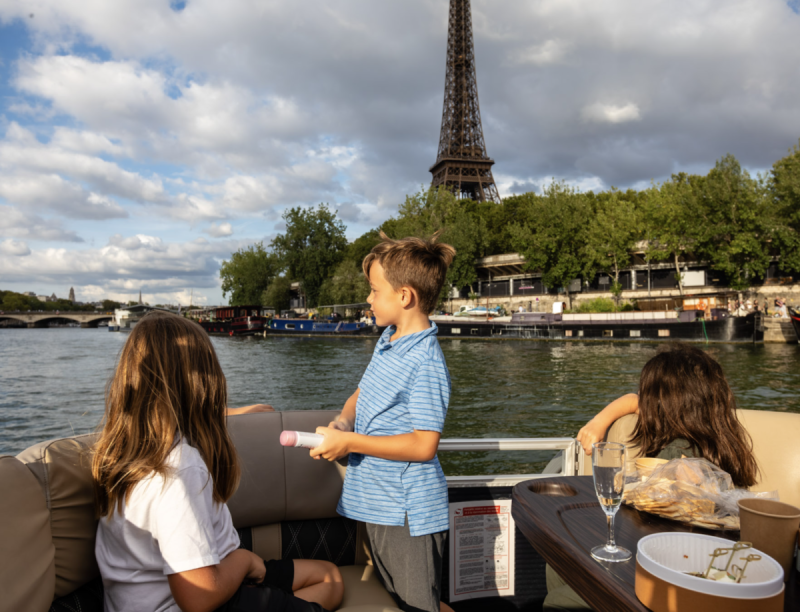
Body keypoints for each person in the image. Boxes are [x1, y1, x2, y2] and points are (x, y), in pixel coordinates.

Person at [92, 311, 343, 612]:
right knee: (329, 581)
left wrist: (235, 413)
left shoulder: (122, 452)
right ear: (203, 383)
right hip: (215, 598)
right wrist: (244, 560)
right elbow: (198, 598)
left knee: (329, 577)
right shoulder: (178, 469)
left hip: (189, 590)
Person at [544, 343, 759, 611]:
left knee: (559, 597)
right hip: (702, 566)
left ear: (665, 405)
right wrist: (599, 422)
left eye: (649, 396)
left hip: (678, 578)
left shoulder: (678, 458)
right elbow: (633, 401)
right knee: (558, 567)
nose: (642, 404)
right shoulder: (725, 443)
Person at [310, 231, 457, 612]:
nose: (369, 299)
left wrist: (351, 444)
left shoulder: (425, 360)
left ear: (404, 296)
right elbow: (364, 391)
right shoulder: (389, 340)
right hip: (379, 506)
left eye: (375, 291)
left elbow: (424, 445)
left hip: (407, 513)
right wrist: (344, 422)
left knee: (417, 606)